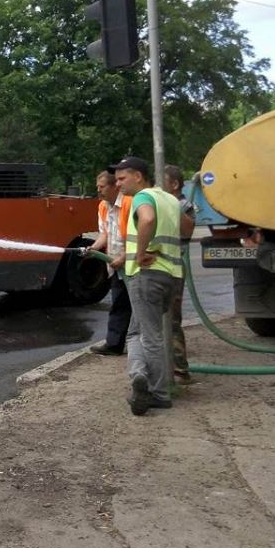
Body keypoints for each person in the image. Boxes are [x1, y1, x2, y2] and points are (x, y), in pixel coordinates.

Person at [112, 156, 182, 416]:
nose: (118, 184)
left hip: (146, 276)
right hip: (171, 276)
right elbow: (185, 227)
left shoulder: (142, 198)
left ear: (138, 177)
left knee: (149, 335)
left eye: (122, 178)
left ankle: (158, 393)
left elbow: (148, 220)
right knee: (136, 332)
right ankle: (139, 376)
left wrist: (141, 253)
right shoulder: (170, 199)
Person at [87, 170, 133, 355]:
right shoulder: (103, 206)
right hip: (116, 265)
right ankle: (114, 344)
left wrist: (123, 257)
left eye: (102, 186)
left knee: (140, 307)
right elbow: (104, 233)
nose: (99, 190)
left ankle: (149, 345)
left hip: (133, 263)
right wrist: (94, 248)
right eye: (97, 187)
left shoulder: (130, 204)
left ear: (115, 186)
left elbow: (137, 236)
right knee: (119, 304)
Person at [163, 164, 197, 381]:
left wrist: (171, 205)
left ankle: (179, 369)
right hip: (157, 265)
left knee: (172, 318)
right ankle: (164, 367)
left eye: (162, 181)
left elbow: (187, 230)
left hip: (173, 268)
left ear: (174, 185)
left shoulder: (184, 205)